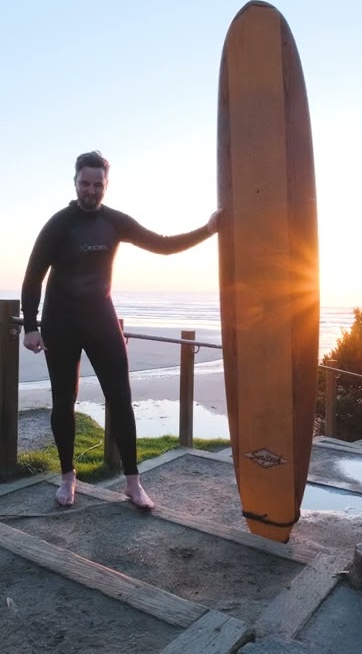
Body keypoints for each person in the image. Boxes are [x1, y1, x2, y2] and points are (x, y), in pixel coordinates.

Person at [21, 150, 219, 510]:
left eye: (98, 185)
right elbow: (33, 276)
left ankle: (133, 482)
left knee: (121, 398)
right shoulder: (58, 224)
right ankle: (68, 478)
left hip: (101, 320)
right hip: (60, 323)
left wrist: (207, 230)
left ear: (106, 186)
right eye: (85, 183)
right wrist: (31, 326)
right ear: (75, 182)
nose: (91, 190)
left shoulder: (114, 222)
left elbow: (162, 244)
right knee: (64, 402)